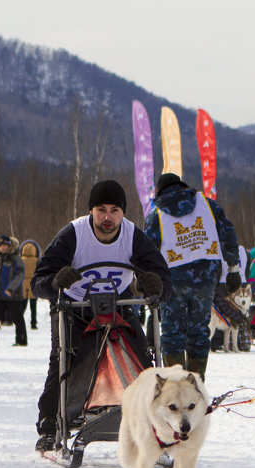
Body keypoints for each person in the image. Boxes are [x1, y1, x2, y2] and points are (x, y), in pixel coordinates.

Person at [31, 180, 172, 451]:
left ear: (123, 213)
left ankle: (157, 422)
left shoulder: (133, 237)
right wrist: (56, 281)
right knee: (65, 356)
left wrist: (154, 285)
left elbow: (164, 282)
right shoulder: (73, 234)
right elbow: (38, 281)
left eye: (114, 210)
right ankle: (51, 421)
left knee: (143, 358)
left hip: (118, 305)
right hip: (73, 307)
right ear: (91, 211)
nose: (108, 218)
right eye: (101, 210)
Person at [144, 173, 241, 379]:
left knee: (172, 334)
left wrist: (144, 278)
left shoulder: (156, 215)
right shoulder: (208, 205)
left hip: (171, 282)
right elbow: (228, 233)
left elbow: (147, 251)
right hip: (206, 280)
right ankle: (195, 386)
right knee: (199, 332)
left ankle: (175, 385)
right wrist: (233, 268)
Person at [20, 240, 41, 330]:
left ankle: (20, 321)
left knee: (23, 305)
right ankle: (33, 323)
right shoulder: (36, 261)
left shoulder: (21, 260)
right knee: (33, 306)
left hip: (23, 285)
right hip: (33, 284)